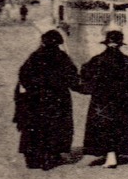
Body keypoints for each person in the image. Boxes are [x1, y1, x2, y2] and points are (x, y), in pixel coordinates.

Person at [14, 30, 80, 170]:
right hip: (57, 99)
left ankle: (32, 158)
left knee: (35, 126)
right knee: (55, 126)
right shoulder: (62, 57)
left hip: (36, 99)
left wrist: (32, 89)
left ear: (43, 42)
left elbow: (23, 75)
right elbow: (72, 78)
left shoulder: (35, 57)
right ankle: (51, 156)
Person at [79, 30, 128, 168]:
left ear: (107, 43)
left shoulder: (97, 60)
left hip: (101, 101)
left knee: (102, 126)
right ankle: (114, 154)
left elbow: (85, 77)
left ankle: (107, 154)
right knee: (119, 126)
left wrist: (92, 89)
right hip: (122, 101)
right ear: (120, 44)